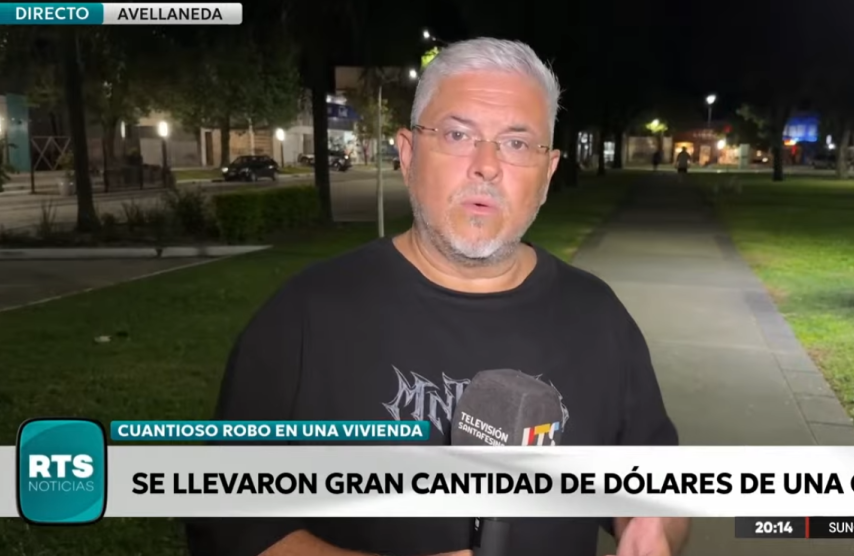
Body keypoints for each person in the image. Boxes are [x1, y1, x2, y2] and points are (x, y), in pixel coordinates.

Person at [185, 37, 689, 556]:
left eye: (517, 144)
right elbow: (230, 523)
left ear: (548, 174)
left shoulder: (598, 318)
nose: (487, 165)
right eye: (457, 134)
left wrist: (651, 525)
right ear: (408, 155)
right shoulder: (305, 317)